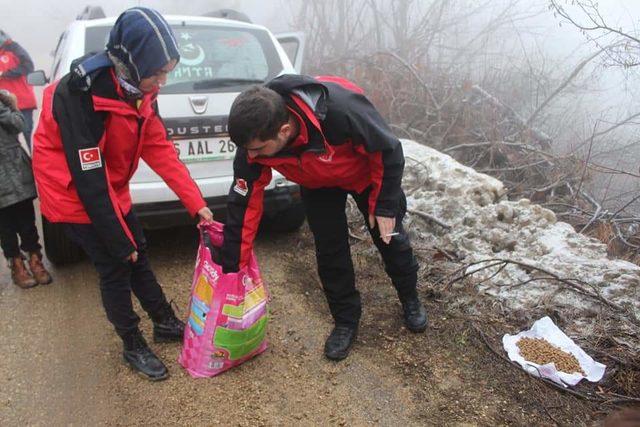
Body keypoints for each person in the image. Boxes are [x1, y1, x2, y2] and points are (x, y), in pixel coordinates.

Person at [32, 7, 213, 381]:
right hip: (74, 192)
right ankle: (132, 343)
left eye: (168, 71)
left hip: (109, 186)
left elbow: (159, 148)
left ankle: (163, 320)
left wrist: (197, 205)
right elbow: (88, 179)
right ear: (130, 63)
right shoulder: (77, 95)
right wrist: (117, 239)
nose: (162, 81)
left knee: (139, 252)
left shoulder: (141, 91)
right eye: (157, 73)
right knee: (117, 263)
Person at [221, 74, 428, 361]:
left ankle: (410, 299)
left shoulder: (341, 112)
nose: (250, 155)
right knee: (331, 252)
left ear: (283, 130)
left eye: (257, 149)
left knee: (389, 238)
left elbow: (388, 151)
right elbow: (243, 206)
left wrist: (384, 207)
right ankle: (346, 321)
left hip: (365, 175)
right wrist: (234, 265)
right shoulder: (252, 145)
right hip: (317, 184)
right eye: (247, 150)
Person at [0, 89, 51, 288]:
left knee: (27, 221)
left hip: (16, 168)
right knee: (5, 226)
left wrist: (10, 104)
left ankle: (35, 259)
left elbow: (19, 124)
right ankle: (16, 264)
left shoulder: (4, 99)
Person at [0, 31, 37, 149]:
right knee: (9, 139)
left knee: (28, 133)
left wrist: (4, 74)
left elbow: (28, 66)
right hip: (4, 105)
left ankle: (36, 164)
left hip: (22, 100)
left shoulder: (14, 48)